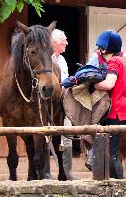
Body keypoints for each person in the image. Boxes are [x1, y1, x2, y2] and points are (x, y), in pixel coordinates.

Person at [88, 30, 126, 179]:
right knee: (108, 154)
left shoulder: (113, 62)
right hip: (119, 110)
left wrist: (92, 85)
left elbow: (108, 84)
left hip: (116, 112)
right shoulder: (121, 61)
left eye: (100, 47)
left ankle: (121, 187)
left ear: (105, 49)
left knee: (111, 155)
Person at [51, 29, 77, 180]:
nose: (67, 43)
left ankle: (68, 172)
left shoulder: (62, 60)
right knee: (45, 136)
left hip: (63, 102)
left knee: (67, 134)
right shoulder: (46, 58)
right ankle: (45, 172)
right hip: (48, 105)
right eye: (64, 40)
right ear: (55, 43)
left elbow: (64, 82)